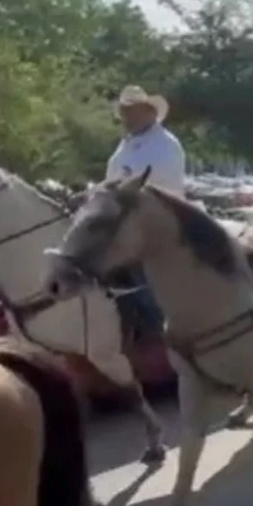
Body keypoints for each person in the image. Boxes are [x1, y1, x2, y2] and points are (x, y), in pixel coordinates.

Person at [103, 85, 185, 343]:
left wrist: (114, 190)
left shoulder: (166, 145)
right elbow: (112, 179)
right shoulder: (126, 144)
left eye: (132, 111)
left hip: (155, 220)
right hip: (125, 218)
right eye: (124, 112)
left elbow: (154, 185)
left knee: (146, 282)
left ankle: (159, 332)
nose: (127, 117)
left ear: (150, 112)